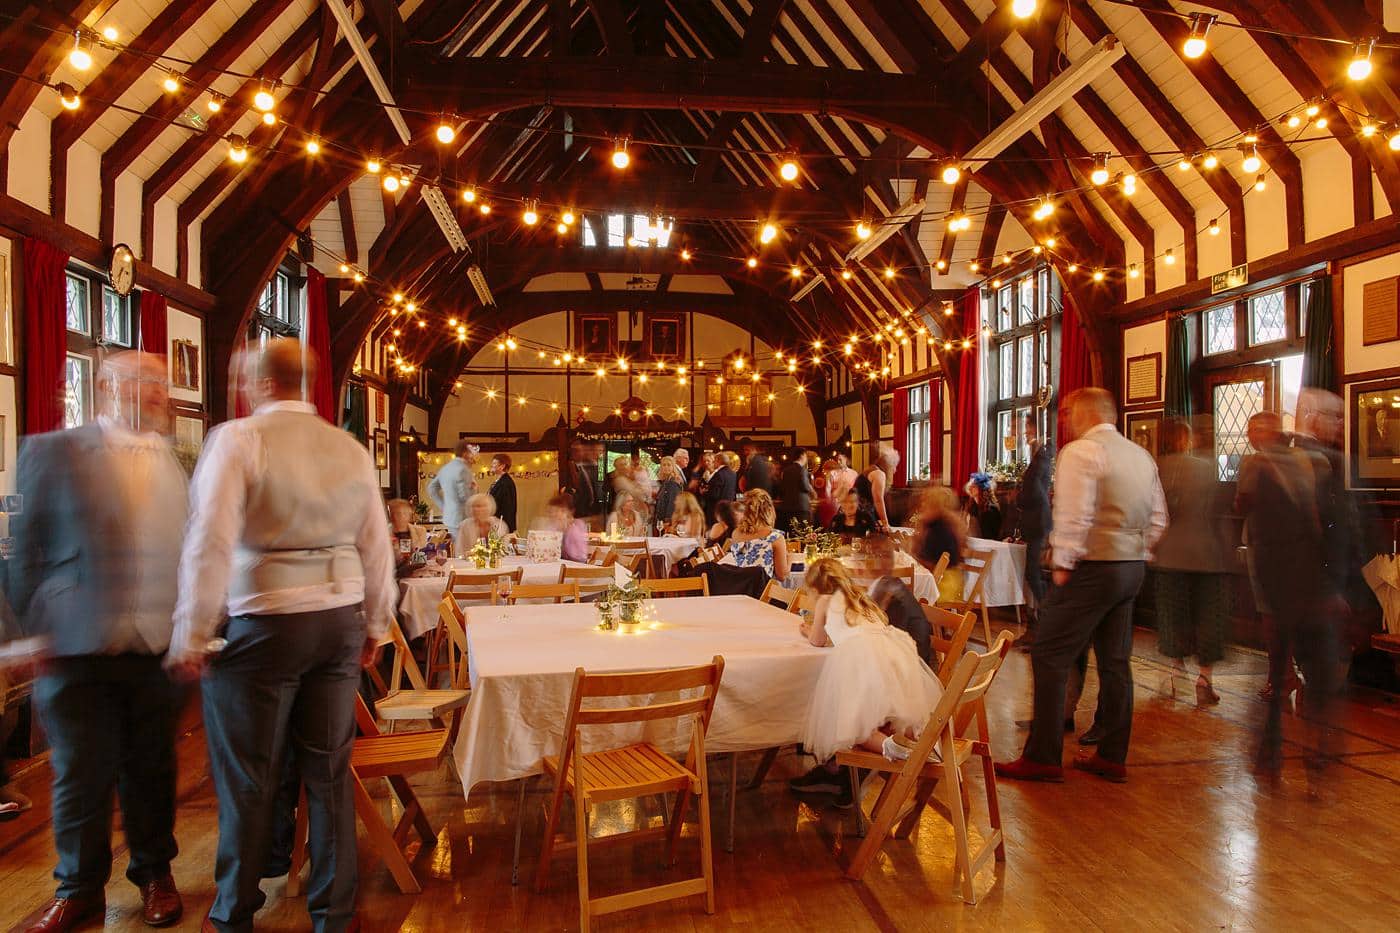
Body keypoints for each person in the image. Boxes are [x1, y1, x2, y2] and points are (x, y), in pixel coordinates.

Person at [167, 339, 396, 932]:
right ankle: (335, 915)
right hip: (339, 617)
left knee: (250, 776)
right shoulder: (348, 448)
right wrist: (373, 623)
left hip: (266, 620)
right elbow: (376, 544)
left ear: (263, 383)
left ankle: (233, 913)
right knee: (328, 772)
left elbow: (210, 542)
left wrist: (191, 632)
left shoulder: (239, 440)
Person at [8, 351, 188, 931]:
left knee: (152, 768)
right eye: (145, 383)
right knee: (81, 771)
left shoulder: (179, 458)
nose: (159, 394)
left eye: (162, 385)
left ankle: (155, 873)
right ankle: (79, 888)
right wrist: (31, 634)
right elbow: (25, 549)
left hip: (155, 641)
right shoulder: (54, 452)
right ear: (108, 387)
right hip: (77, 643)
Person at [996, 388, 1167, 784]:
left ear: (1086, 413)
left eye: (1071, 411)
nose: (1067, 418)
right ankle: (1111, 755)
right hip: (1131, 565)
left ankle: (1043, 756)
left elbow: (1073, 513)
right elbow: (1158, 517)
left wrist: (1062, 563)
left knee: (1049, 652)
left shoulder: (1080, 453)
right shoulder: (1141, 456)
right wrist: (1136, 548)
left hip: (1091, 567)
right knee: (1116, 661)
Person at [787, 559, 942, 808]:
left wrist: (807, 631)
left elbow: (817, 640)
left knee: (855, 725)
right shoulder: (862, 598)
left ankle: (890, 748)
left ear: (816, 587)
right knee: (884, 710)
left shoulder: (826, 601)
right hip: (895, 654)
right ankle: (912, 738)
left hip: (861, 658)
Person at [1239, 407, 1341, 785]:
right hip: (1302, 582)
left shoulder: (1263, 470)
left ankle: (1279, 753)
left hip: (1290, 583)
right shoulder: (1310, 467)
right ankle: (1304, 753)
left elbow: (1254, 518)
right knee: (1306, 667)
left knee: (1293, 661)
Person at [1152, 419, 1232, 706]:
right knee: (1208, 615)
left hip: (1169, 552)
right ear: (1185, 439)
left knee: (1173, 613)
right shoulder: (1205, 468)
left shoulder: (1157, 467)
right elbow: (1218, 510)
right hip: (1205, 553)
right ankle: (1205, 678)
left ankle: (1176, 671)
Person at [865, 534, 934, 665]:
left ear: (891, 561)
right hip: (894, 656)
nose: (874, 560)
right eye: (870, 555)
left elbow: (894, 645)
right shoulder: (884, 584)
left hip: (911, 667)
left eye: (882, 555)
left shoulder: (896, 599)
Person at [1017, 414, 1053, 639]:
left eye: (1027, 429)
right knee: (1032, 572)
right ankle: (1039, 620)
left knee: (1033, 573)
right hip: (1035, 521)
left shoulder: (1043, 456)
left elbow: (1035, 492)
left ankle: (1047, 616)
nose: (1024, 434)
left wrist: (1018, 498)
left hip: (1038, 521)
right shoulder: (1038, 456)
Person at [912, 484, 966, 605]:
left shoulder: (942, 530)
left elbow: (931, 563)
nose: (922, 505)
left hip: (943, 582)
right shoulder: (933, 525)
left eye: (926, 502)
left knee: (901, 593)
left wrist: (913, 559)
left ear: (935, 506)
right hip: (934, 578)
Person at [728, 489, 790, 582]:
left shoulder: (736, 534)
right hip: (763, 592)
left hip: (740, 589)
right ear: (769, 510)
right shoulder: (775, 537)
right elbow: (782, 576)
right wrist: (790, 559)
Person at [428, 438, 477, 544]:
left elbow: (431, 488)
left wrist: (444, 506)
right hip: (463, 518)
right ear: (465, 453)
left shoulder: (445, 468)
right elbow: (465, 497)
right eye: (472, 452)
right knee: (466, 552)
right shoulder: (464, 469)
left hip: (449, 517)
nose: (473, 455)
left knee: (456, 549)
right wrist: (474, 489)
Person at [855, 446, 898, 531]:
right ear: (888, 464)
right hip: (860, 514)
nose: (895, 470)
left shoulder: (872, 469)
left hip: (855, 510)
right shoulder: (879, 474)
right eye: (894, 465)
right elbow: (878, 500)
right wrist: (886, 523)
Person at [543, 494, 590, 563]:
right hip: (559, 567)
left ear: (568, 513)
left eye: (557, 511)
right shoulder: (553, 527)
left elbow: (580, 557)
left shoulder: (575, 528)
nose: (553, 514)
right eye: (551, 511)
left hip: (576, 568)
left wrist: (566, 531)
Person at [777, 451, 815, 533]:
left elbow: (782, 488)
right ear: (801, 456)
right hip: (801, 507)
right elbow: (805, 486)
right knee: (802, 533)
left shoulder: (786, 470)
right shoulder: (802, 470)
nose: (806, 459)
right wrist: (812, 490)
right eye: (805, 456)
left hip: (788, 507)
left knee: (791, 532)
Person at [387, 497, 428, 563]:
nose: (402, 516)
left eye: (405, 513)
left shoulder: (420, 531)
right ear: (391, 515)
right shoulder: (384, 533)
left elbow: (423, 555)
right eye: (398, 513)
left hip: (416, 569)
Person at [964, 472, 1002, 540]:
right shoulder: (972, 506)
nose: (970, 488)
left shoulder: (991, 509)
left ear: (982, 489)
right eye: (970, 486)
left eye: (974, 486)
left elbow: (990, 535)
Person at [653, 456, 685, 532]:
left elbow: (673, 504)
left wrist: (667, 522)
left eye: (669, 465)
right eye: (664, 465)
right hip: (662, 521)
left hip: (668, 523)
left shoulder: (672, 483)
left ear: (673, 467)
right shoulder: (666, 481)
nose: (666, 467)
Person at [704, 450, 737, 522]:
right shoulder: (733, 473)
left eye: (714, 461)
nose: (713, 463)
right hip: (729, 508)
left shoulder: (719, 474)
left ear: (718, 460)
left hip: (717, 510)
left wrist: (704, 493)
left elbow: (714, 494)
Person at [488, 453, 518, 532]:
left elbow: (506, 507)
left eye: (494, 463)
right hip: (496, 523)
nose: (491, 465)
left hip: (501, 525)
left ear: (502, 466)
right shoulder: (500, 481)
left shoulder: (506, 483)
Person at [813, 458, 839, 527]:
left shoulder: (829, 476)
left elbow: (828, 493)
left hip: (829, 505)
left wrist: (823, 500)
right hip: (835, 505)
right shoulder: (837, 476)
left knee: (826, 525)